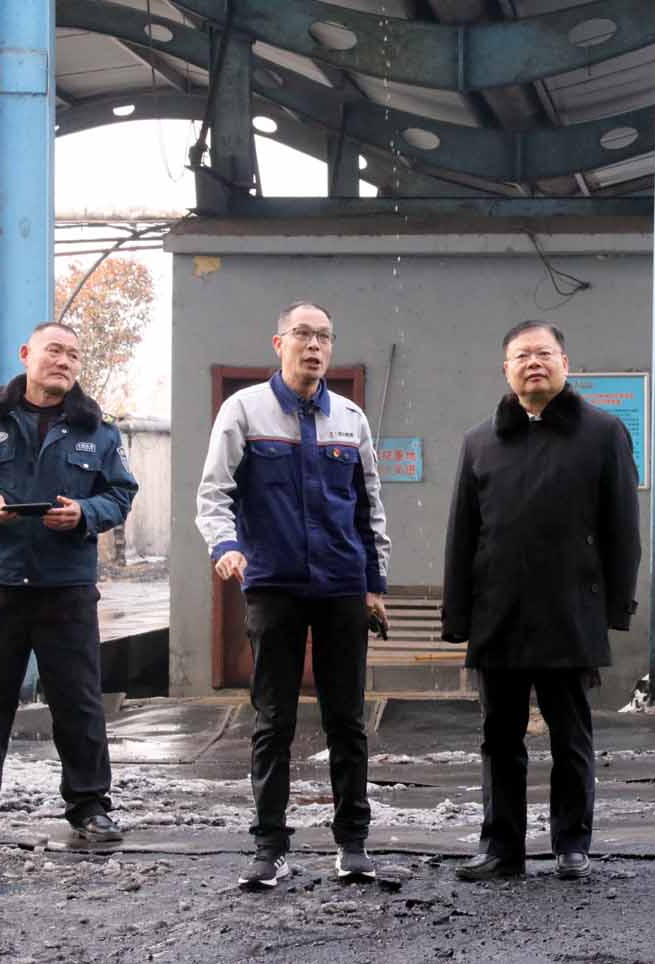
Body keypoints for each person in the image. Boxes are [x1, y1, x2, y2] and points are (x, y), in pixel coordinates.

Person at [196, 301, 391, 888]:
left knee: (347, 721)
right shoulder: (244, 410)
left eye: (324, 336)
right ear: (278, 343)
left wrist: (375, 584)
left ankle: (352, 843)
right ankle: (270, 847)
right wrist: (225, 545)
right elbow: (214, 492)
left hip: (341, 587)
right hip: (274, 586)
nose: (314, 346)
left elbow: (369, 507)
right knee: (273, 720)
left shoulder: (350, 419)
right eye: (303, 334)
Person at [441, 320, 641, 882]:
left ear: (565, 364)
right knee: (499, 738)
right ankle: (501, 848)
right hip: (498, 613)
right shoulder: (480, 440)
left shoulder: (602, 433)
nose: (534, 363)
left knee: (570, 735)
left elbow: (623, 528)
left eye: (544, 354)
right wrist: (458, 615)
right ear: (506, 369)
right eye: (522, 355)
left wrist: (614, 607)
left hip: (569, 610)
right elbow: (462, 534)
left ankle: (571, 843)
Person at [0, 321, 138, 845]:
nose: (64, 362)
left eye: (73, 354)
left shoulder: (97, 429)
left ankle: (89, 807)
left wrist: (85, 513)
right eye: (54, 351)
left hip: (67, 586)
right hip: (1, 581)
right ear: (27, 354)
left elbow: (120, 494)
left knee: (79, 700)